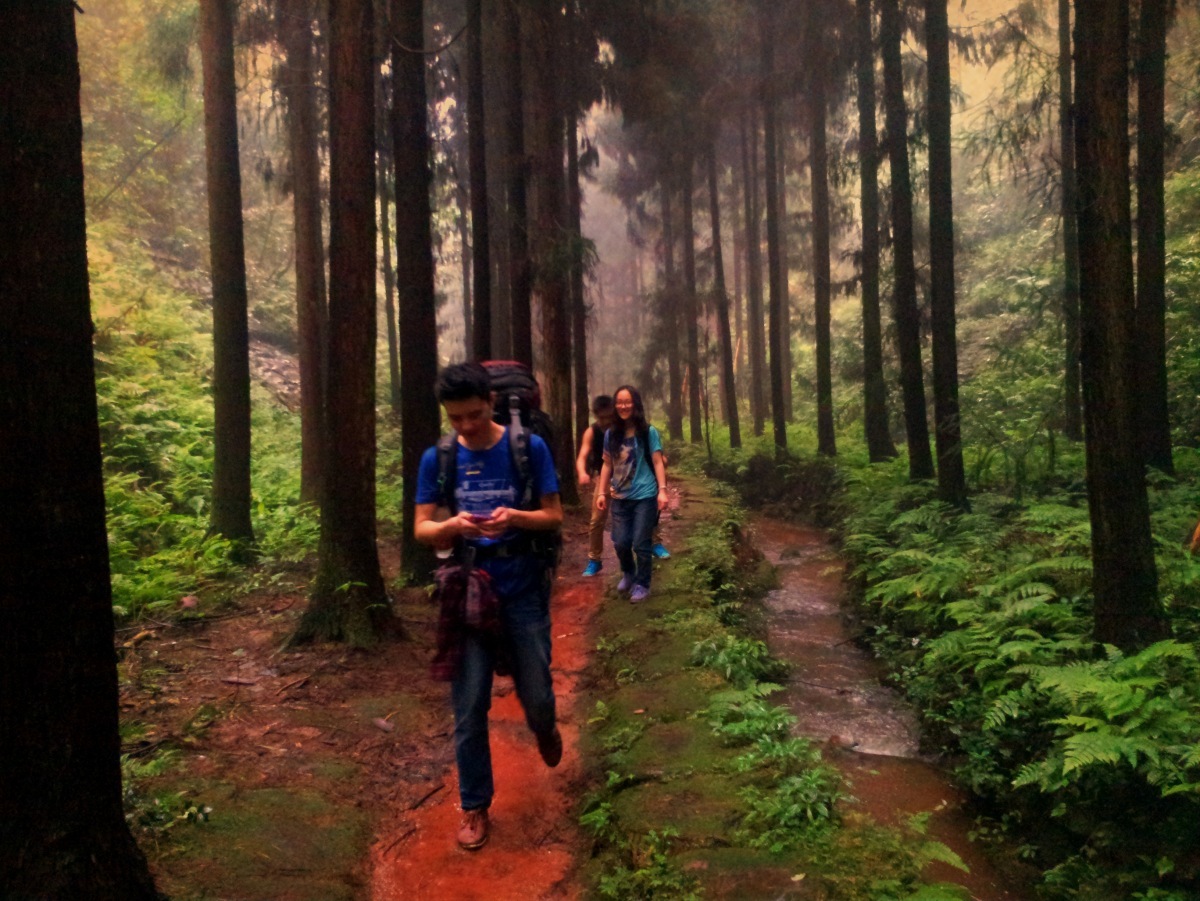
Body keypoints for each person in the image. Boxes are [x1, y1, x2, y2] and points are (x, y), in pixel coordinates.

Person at [413, 362, 564, 852]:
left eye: (474, 415)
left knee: (537, 693)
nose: (466, 427)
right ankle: (475, 805)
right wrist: (453, 526)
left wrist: (516, 517)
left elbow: (553, 515)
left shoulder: (527, 447)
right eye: (455, 418)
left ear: (491, 402)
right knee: (469, 704)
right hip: (468, 590)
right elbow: (422, 527)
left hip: (521, 588)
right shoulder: (438, 458)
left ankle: (543, 726)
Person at [576, 396, 670, 578]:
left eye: (607, 417)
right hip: (605, 480)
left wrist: (660, 462)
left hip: (633, 478)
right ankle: (594, 559)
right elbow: (583, 455)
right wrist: (582, 472)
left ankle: (655, 543)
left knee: (645, 508)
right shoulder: (592, 432)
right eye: (600, 418)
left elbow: (649, 453)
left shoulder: (628, 429)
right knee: (597, 519)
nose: (604, 422)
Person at [595, 385, 669, 603]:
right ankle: (629, 573)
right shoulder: (611, 434)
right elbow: (607, 464)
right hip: (619, 497)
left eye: (627, 402)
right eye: (619, 402)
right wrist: (601, 492)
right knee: (620, 542)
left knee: (640, 543)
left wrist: (662, 491)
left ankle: (642, 584)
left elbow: (657, 462)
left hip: (645, 496)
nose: (623, 406)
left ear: (635, 404)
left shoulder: (648, 432)